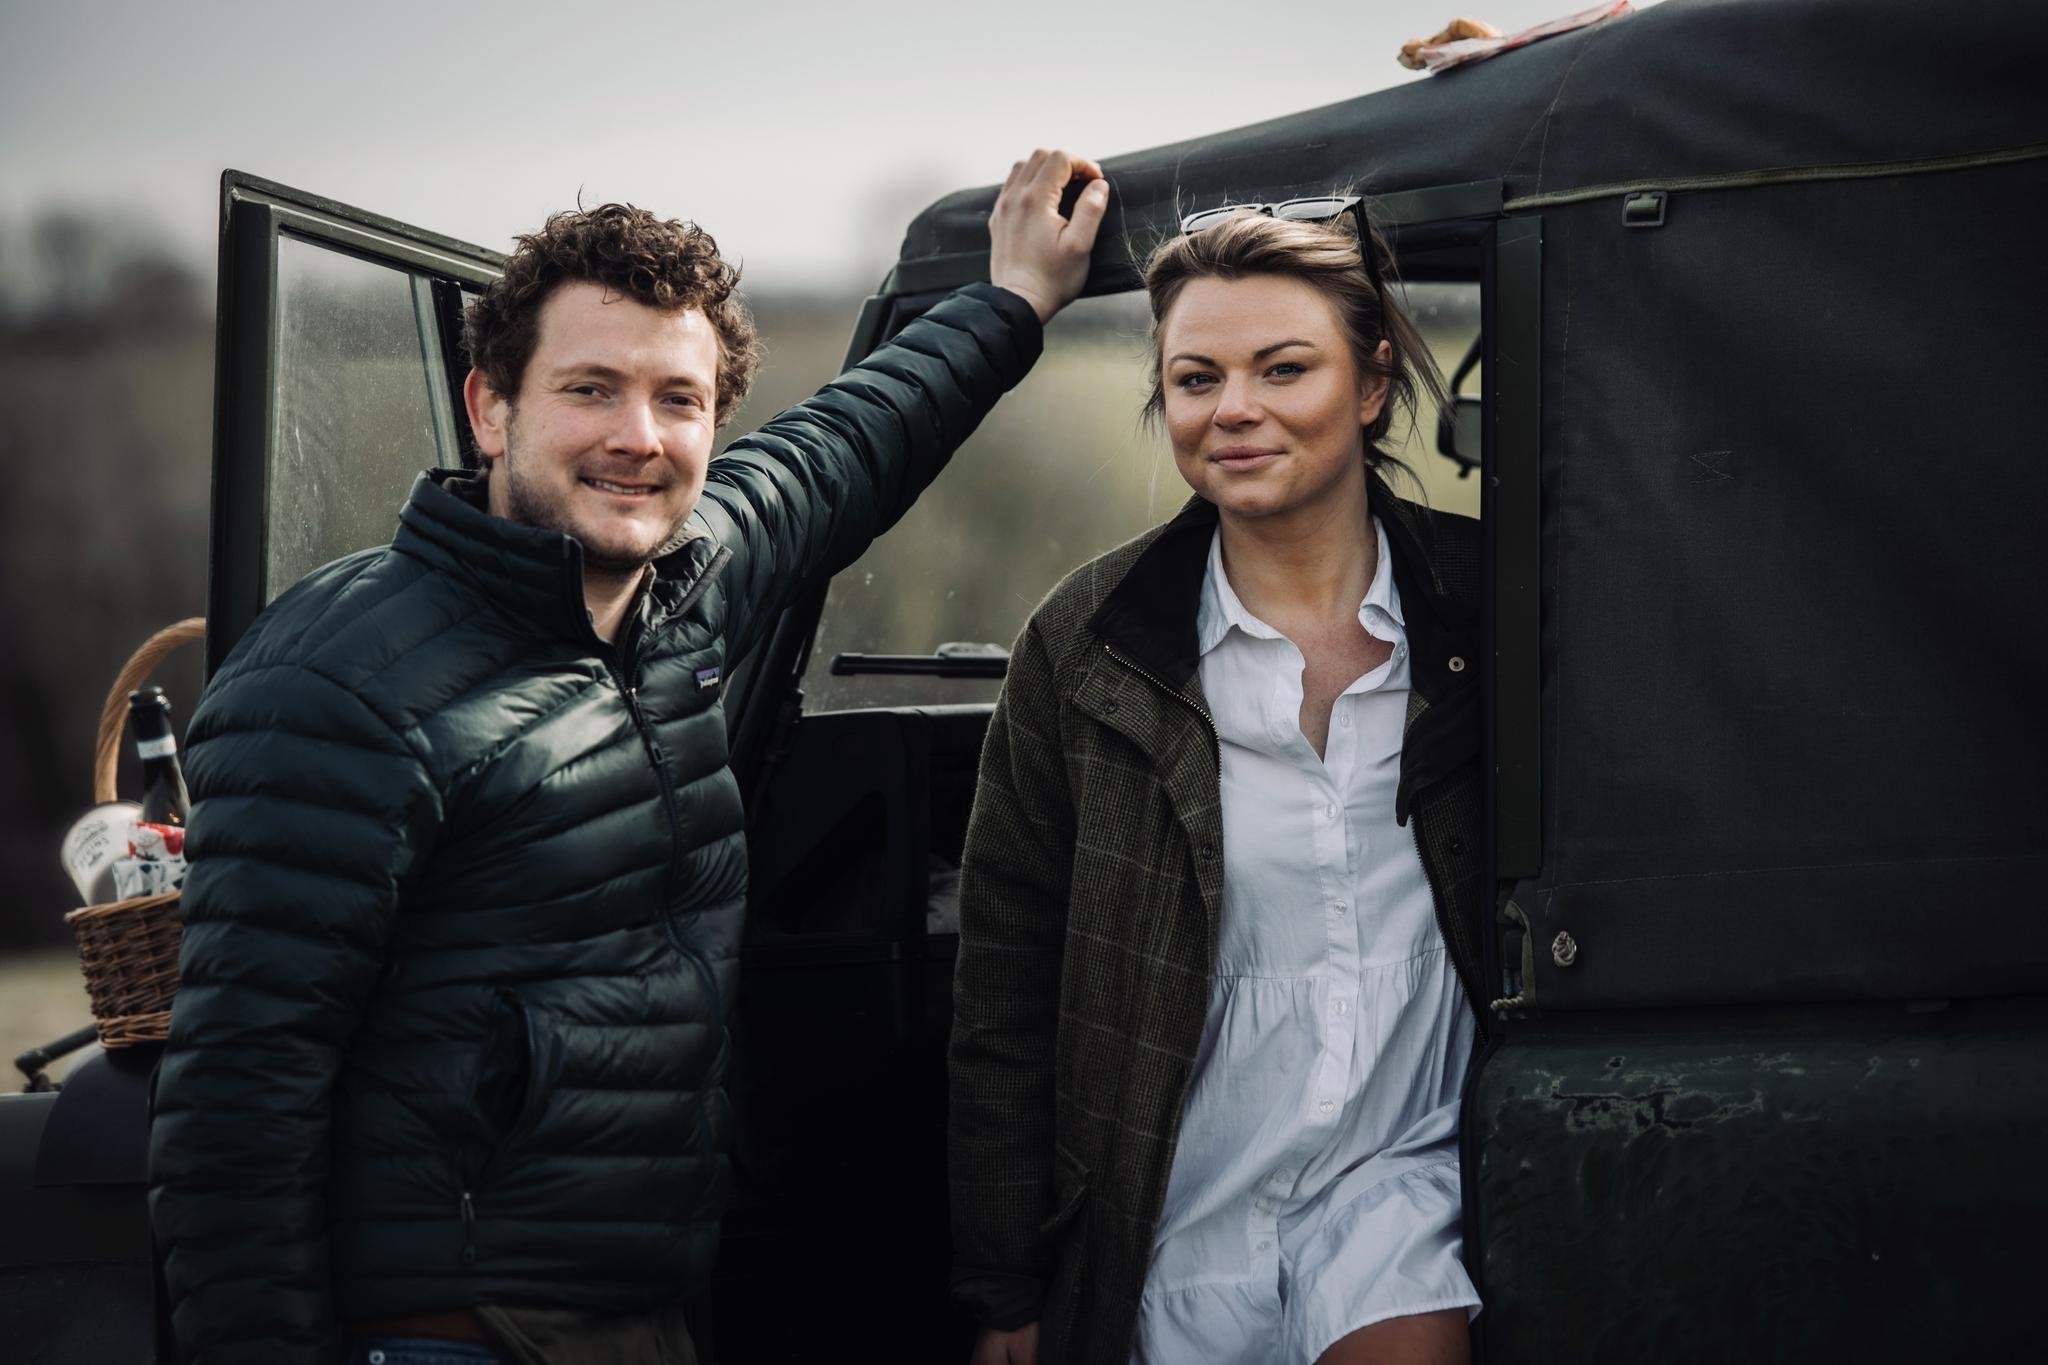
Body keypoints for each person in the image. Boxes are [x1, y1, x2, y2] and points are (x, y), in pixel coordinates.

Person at [149, 149, 1110, 1365]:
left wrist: (1012, 299)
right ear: (490, 406)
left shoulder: (679, 589)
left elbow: (847, 442)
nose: (637, 438)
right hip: (446, 1327)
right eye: (590, 390)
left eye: (677, 398)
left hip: (635, 1304)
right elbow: (236, 1105)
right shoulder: (336, 683)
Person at [948, 204, 1488, 1365]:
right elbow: (1005, 977)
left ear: (1371, 383)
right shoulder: (1088, 642)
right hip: (1165, 1199)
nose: (1233, 409)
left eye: (1282, 368)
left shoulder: (1487, 608)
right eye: (1195, 378)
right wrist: (1004, 1286)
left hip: (1404, 1178)